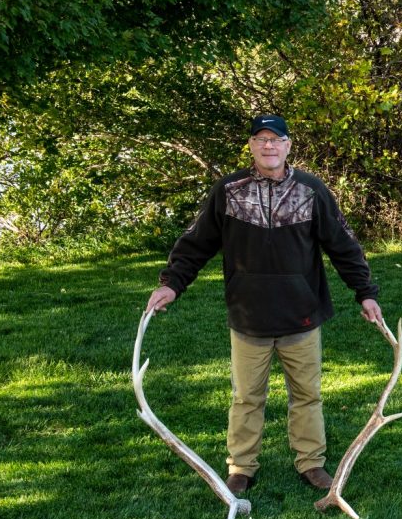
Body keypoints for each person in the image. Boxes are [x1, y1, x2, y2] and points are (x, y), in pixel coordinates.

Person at [145, 115, 383, 495]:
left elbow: (343, 245)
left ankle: (311, 463)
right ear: (252, 146)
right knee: (246, 397)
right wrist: (172, 284)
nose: (269, 146)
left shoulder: (311, 190)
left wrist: (365, 292)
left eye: (276, 139)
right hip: (248, 316)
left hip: (301, 315)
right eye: (261, 139)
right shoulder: (229, 191)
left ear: (289, 146)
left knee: (307, 394)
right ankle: (241, 467)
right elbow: (197, 242)